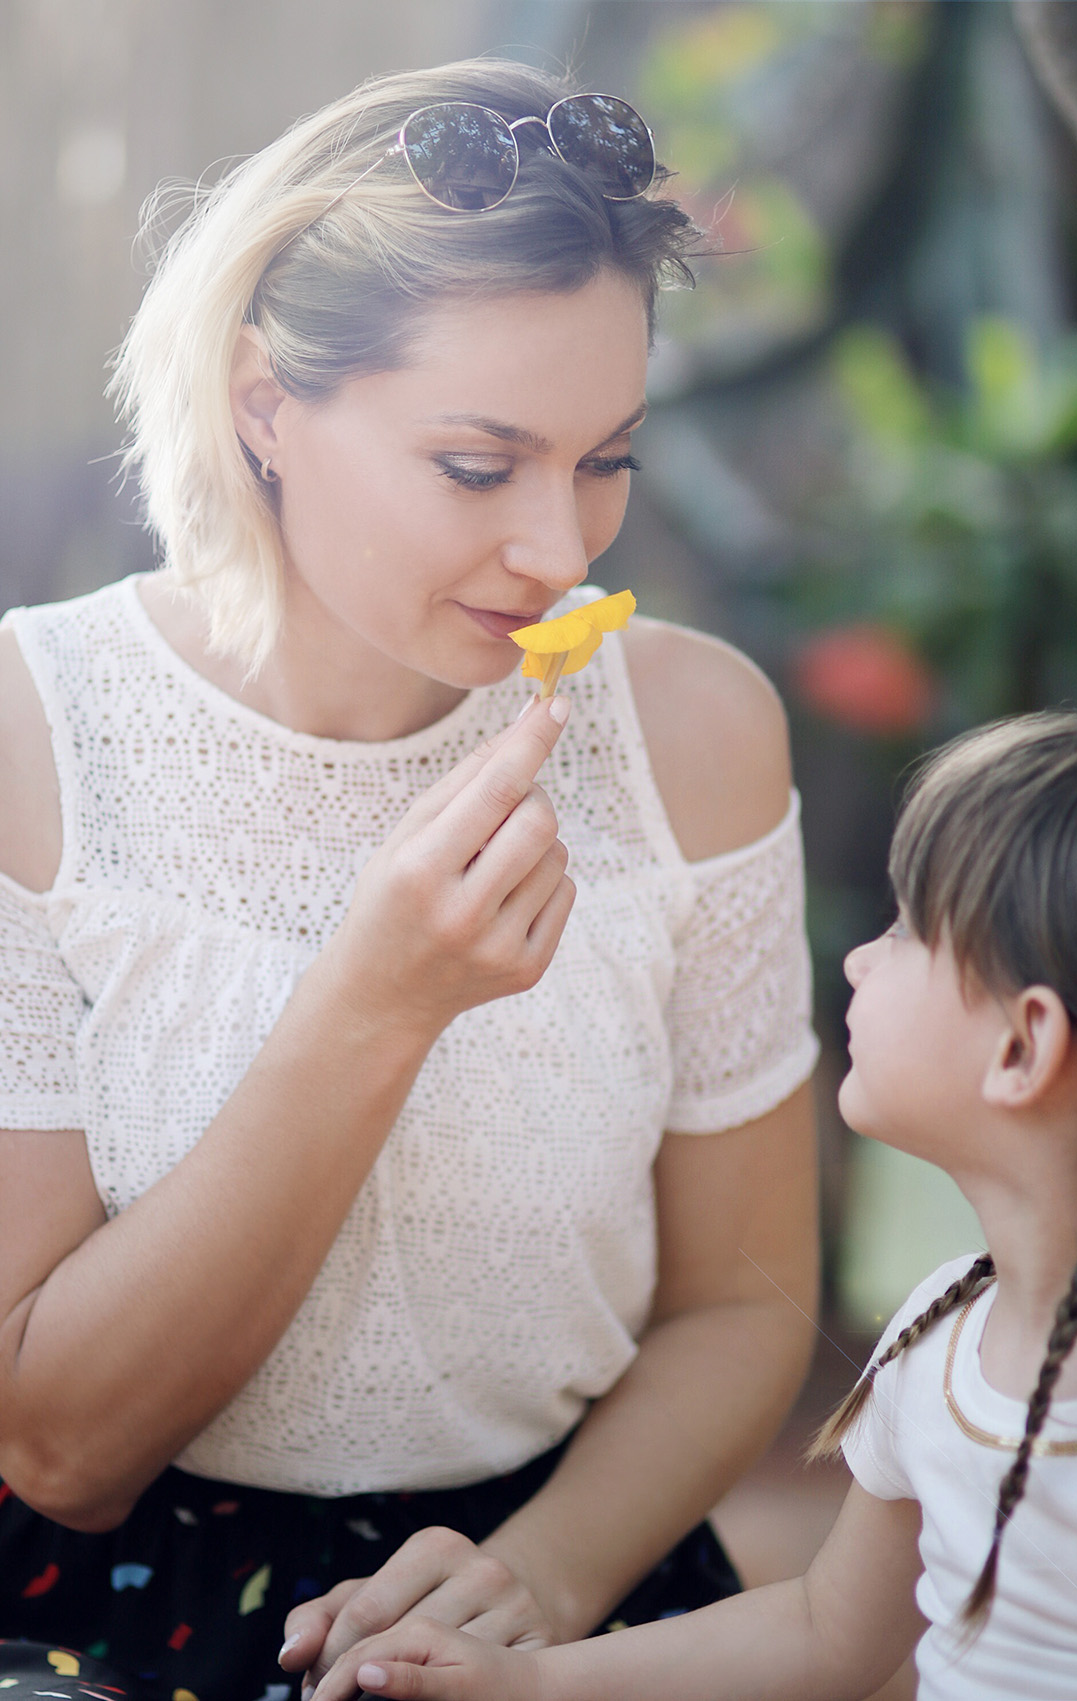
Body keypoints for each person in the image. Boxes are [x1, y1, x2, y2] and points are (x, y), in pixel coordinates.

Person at [0, 58, 820, 1701]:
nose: (558, 553)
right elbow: (55, 1441)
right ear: (262, 404)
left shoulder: (694, 734)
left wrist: (541, 1578)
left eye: (607, 459)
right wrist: (374, 1004)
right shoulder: (35, 745)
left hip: (568, 1588)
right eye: (475, 463)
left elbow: (741, 1305)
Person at [311, 709, 1077, 1701]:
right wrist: (521, 1684)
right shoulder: (944, 1330)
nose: (859, 961)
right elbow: (825, 1630)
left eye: (907, 930)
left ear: (1022, 1048)